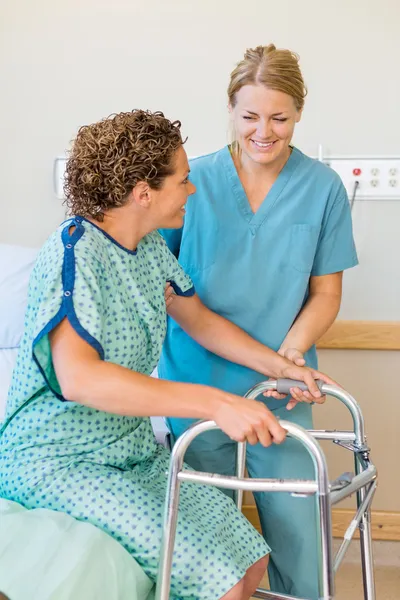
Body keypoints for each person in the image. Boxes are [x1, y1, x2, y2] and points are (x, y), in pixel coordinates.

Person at [0, 110, 334, 600]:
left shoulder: (150, 247)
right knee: (217, 579)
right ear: (142, 192)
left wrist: (281, 366)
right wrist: (215, 403)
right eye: (183, 180)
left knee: (250, 555)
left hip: (130, 455)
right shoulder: (74, 252)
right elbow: (79, 379)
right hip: (60, 461)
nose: (192, 190)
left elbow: (199, 320)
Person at [160, 44, 358, 599]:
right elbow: (173, 295)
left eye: (279, 117)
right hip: (197, 386)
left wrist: (291, 357)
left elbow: (325, 292)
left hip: (283, 390)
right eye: (249, 116)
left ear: (299, 114)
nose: (263, 131)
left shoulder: (322, 189)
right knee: (208, 550)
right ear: (230, 110)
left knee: (300, 541)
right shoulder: (190, 182)